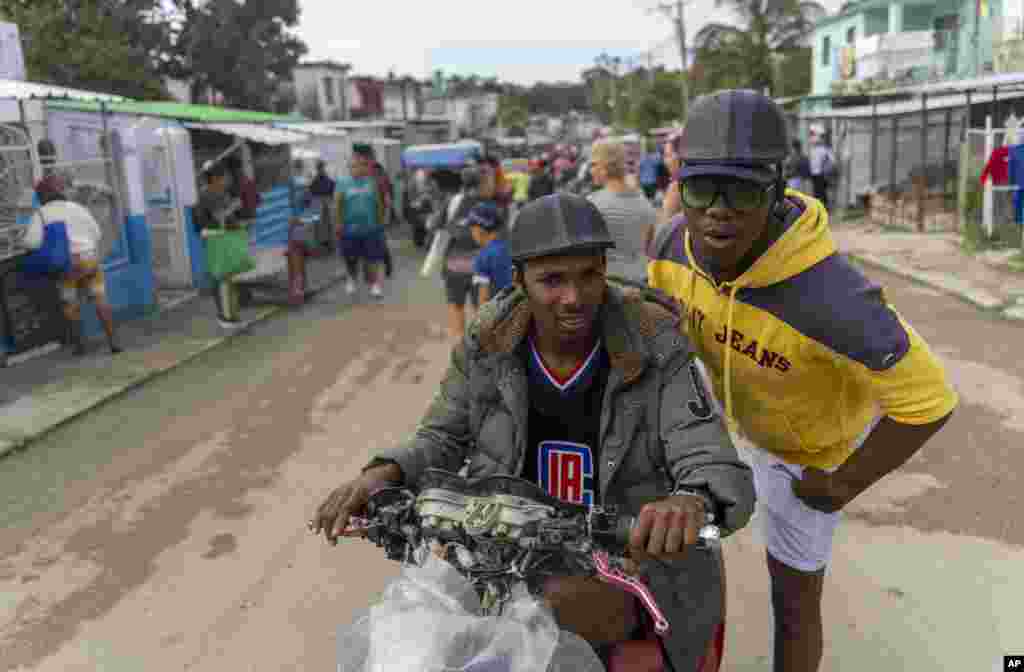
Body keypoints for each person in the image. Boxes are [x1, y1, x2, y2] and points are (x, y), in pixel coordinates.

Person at [312, 193, 755, 672]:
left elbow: (708, 455)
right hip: (504, 557)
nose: (574, 297)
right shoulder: (489, 341)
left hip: (627, 565)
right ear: (519, 278)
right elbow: (442, 437)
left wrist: (689, 501)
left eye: (589, 275)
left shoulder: (654, 341)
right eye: (552, 280)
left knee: (549, 608)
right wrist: (385, 472)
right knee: (410, 632)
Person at [647, 89, 958, 672]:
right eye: (702, 188)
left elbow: (931, 399)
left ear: (778, 188)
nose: (718, 210)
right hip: (725, 428)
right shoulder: (670, 248)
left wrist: (844, 484)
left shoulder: (834, 299)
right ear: (679, 184)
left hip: (805, 457)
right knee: (664, 572)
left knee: (792, 603)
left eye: (742, 191)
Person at [25, 175, 122, 355]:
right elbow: (96, 233)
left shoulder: (41, 214)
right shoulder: (78, 208)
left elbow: (31, 242)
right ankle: (113, 341)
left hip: (67, 266)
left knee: (70, 303)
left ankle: (80, 346)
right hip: (89, 260)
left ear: (42, 196)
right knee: (100, 299)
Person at [438, 158, 505, 340]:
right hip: (481, 268)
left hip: (454, 267)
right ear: (482, 183)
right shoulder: (492, 206)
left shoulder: (452, 202)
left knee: (457, 311)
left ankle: (460, 348)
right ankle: (478, 350)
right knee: (481, 313)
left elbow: (437, 227)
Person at [587, 139, 659, 286]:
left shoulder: (593, 203)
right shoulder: (645, 203)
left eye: (593, 164)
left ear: (605, 167)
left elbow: (588, 253)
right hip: (641, 282)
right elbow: (650, 248)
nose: (590, 170)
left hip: (610, 284)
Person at [195, 162, 245, 328]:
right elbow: (219, 216)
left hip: (223, 238)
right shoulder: (209, 194)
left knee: (227, 278)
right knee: (222, 279)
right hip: (216, 239)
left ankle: (231, 315)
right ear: (215, 178)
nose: (227, 179)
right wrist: (233, 206)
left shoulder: (219, 192)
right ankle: (225, 317)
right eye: (224, 176)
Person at [335, 144, 389, 299]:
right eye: (354, 166)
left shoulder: (371, 182)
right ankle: (351, 279)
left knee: (372, 258)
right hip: (349, 229)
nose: (358, 169)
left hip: (370, 228)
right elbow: (337, 204)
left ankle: (375, 284)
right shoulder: (342, 183)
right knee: (350, 258)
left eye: (361, 165)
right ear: (349, 168)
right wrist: (338, 223)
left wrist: (381, 222)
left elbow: (378, 204)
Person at [468, 201, 512, 305]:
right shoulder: (513, 246)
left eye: (472, 229)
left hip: (500, 309)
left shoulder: (483, 257)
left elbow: (483, 297)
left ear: (480, 229)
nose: (471, 233)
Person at [308, 160, 336, 252]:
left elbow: (311, 190)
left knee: (325, 223)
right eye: (320, 167)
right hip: (320, 201)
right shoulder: (319, 179)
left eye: (321, 167)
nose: (321, 169)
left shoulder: (319, 179)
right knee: (321, 223)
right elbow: (332, 188)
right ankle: (324, 244)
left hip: (321, 201)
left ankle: (326, 244)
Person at [809, 131, 836, 210]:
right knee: (818, 191)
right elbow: (812, 161)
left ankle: (824, 207)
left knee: (821, 191)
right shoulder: (814, 150)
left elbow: (832, 161)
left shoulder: (825, 149)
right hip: (815, 173)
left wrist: (827, 168)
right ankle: (820, 207)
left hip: (821, 173)